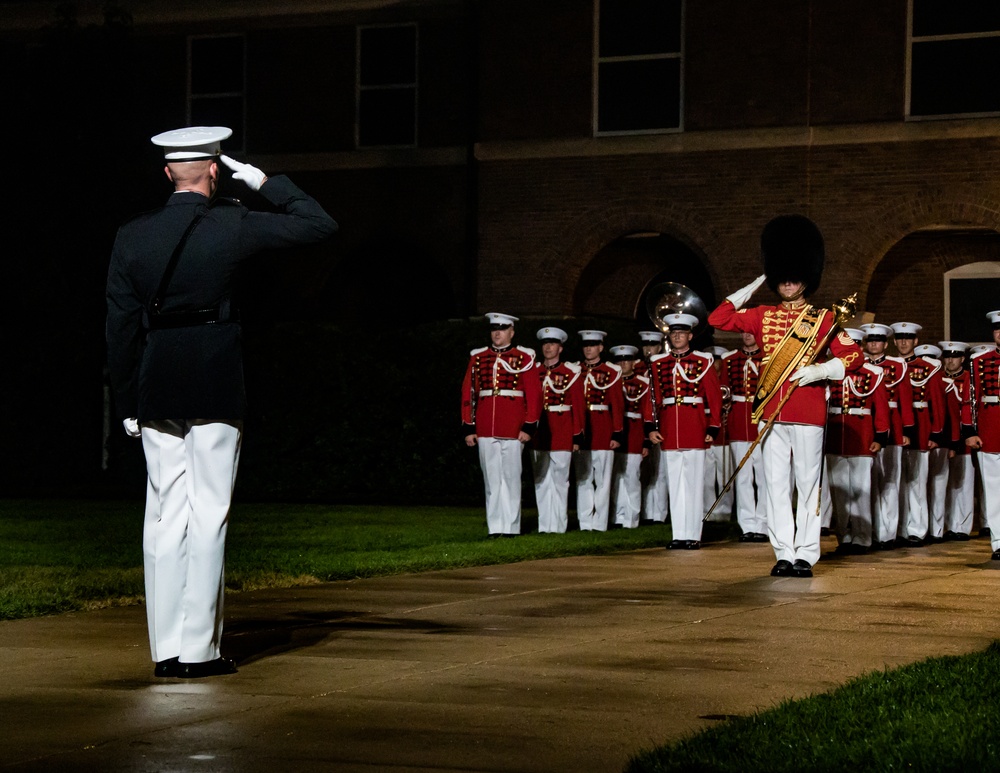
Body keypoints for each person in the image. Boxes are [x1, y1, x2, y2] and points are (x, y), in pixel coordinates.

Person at [106, 126, 338, 678]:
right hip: (212, 375)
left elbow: (119, 326)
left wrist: (127, 398)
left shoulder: (132, 234)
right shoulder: (232, 222)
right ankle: (198, 650)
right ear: (214, 169)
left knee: (164, 515)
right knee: (209, 513)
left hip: (156, 379)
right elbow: (318, 224)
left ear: (168, 173)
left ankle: (164, 648)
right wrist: (261, 180)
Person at [707, 214, 864, 578]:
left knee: (808, 484)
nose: (789, 283)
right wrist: (762, 275)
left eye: (794, 276)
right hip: (771, 411)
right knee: (775, 483)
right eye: (783, 276)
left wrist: (821, 371)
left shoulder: (823, 320)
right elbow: (719, 318)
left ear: (807, 278)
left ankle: (806, 553)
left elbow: (853, 357)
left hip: (808, 410)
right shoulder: (761, 315)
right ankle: (782, 550)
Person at [643, 313, 723, 549]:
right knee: (675, 484)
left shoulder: (703, 360)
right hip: (669, 427)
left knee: (694, 484)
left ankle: (693, 535)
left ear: (690, 335)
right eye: (673, 333)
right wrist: (650, 427)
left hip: (695, 425)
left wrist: (713, 426)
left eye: (681, 333)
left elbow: (714, 397)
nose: (677, 336)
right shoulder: (659, 363)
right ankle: (679, 534)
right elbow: (652, 397)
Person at [462, 313, 543, 538]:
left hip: (513, 425)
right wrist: (469, 426)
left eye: (502, 328)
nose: (497, 333)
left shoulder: (524, 357)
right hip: (486, 425)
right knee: (491, 479)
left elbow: (534, 395)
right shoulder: (478, 358)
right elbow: (468, 393)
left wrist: (529, 426)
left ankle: (511, 527)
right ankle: (495, 527)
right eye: (494, 329)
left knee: (511, 477)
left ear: (512, 332)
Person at [825, 328, 890, 555]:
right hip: (835, 436)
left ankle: (863, 538)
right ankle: (844, 537)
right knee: (839, 492)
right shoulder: (829, 371)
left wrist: (881, 436)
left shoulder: (873, 373)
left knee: (861, 491)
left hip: (862, 436)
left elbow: (881, 406)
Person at [859, 322, 914, 550]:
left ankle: (888, 534)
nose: (874, 344)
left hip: (892, 426)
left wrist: (907, 430)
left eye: (878, 340)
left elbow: (905, 399)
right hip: (864, 425)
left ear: (884, 343)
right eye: (870, 340)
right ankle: (868, 532)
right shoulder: (858, 365)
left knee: (890, 482)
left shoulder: (896, 365)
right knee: (867, 484)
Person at [892, 324, 947, 547]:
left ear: (916, 341)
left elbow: (937, 402)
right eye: (900, 338)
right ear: (894, 342)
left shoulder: (928, 367)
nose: (904, 342)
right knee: (895, 482)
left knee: (916, 482)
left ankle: (917, 529)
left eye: (908, 338)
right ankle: (898, 529)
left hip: (921, 426)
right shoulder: (890, 366)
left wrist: (936, 433)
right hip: (895, 428)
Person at [532, 326, 584, 534]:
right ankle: (545, 525)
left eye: (552, 344)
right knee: (541, 480)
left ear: (560, 348)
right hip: (539, 431)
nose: (548, 347)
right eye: (545, 344)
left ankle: (559, 525)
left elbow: (578, 407)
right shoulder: (533, 371)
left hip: (562, 429)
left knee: (560, 481)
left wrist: (576, 435)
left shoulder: (570, 373)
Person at [719, 332, 768, 542]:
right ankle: (747, 525)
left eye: (751, 331)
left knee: (765, 477)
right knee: (743, 477)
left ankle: (764, 524)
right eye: (744, 332)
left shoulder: (768, 356)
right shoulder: (729, 359)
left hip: (762, 419)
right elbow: (723, 389)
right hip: (739, 419)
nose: (747, 335)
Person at [575, 330, 624, 531]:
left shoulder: (611, 372)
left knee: (603, 480)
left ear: (601, 348)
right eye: (586, 345)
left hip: (603, 427)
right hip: (582, 429)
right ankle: (585, 522)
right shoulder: (575, 370)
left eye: (593, 345)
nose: (588, 348)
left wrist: (617, 432)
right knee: (583, 478)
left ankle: (600, 522)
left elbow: (617, 405)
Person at [964, 311, 1000, 560]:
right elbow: (970, 398)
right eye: (997, 330)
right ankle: (999, 542)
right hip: (990, 427)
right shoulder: (979, 361)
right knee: (994, 489)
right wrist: (970, 430)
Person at [609, 345, 650, 528]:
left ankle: (632, 518)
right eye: (619, 360)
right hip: (615, 432)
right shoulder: (610, 381)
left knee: (632, 477)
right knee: (616, 477)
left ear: (634, 362)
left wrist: (646, 441)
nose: (623, 363)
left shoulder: (642, 383)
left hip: (634, 431)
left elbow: (647, 412)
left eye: (627, 360)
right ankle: (617, 517)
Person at [939, 341, 974, 540]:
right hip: (945, 437)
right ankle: (949, 525)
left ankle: (962, 527)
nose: (950, 360)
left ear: (962, 359)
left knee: (964, 484)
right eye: (947, 357)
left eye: (954, 357)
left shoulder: (968, 379)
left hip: (964, 437)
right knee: (947, 484)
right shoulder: (939, 378)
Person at [637, 330, 668, 523]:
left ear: (659, 347)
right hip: (641, 424)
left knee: (662, 470)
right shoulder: (637, 368)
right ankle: (646, 511)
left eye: (652, 346)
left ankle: (659, 513)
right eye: (646, 346)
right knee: (645, 471)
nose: (649, 349)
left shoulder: (664, 366)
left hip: (662, 422)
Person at [703, 345, 735, 523]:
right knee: (706, 476)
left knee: (725, 475)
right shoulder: (703, 378)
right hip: (707, 431)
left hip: (724, 433)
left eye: (717, 360)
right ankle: (708, 509)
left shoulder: (727, 380)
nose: (714, 364)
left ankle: (724, 510)